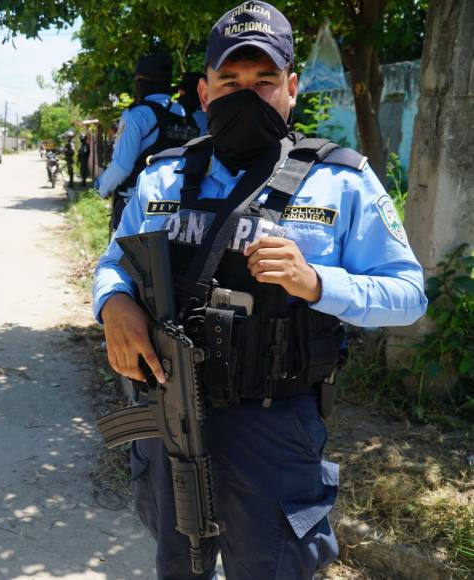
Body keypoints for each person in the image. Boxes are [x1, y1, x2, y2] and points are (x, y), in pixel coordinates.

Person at [92, 2, 427, 579]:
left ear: (291, 88)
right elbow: (115, 263)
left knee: (271, 568)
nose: (247, 94)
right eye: (231, 81)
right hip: (169, 412)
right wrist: (113, 302)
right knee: (180, 563)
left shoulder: (341, 181)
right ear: (205, 92)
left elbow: (409, 293)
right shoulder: (162, 176)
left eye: (265, 81)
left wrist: (317, 282)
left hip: (274, 425)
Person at [95, 53, 200, 236]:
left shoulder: (137, 115)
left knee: (124, 262)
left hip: (137, 208)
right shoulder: (186, 115)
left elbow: (122, 166)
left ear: (140, 82)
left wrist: (102, 187)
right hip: (180, 207)